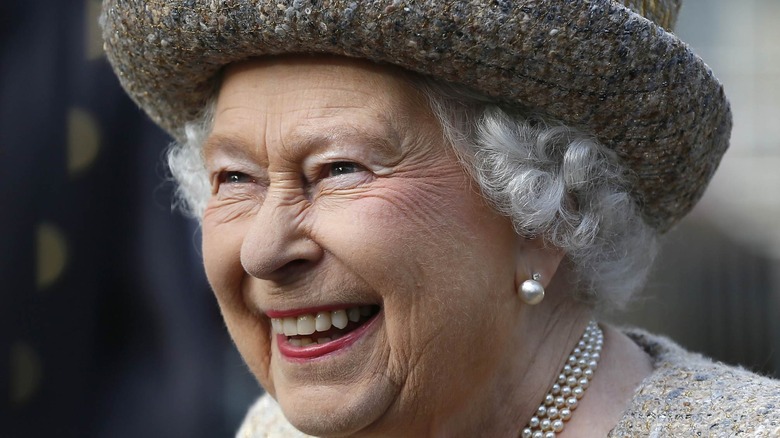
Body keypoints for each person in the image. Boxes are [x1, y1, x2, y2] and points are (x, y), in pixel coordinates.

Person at [101, 0, 780, 436]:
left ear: (549, 211)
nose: (262, 251)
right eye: (235, 178)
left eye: (339, 169)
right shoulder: (270, 431)